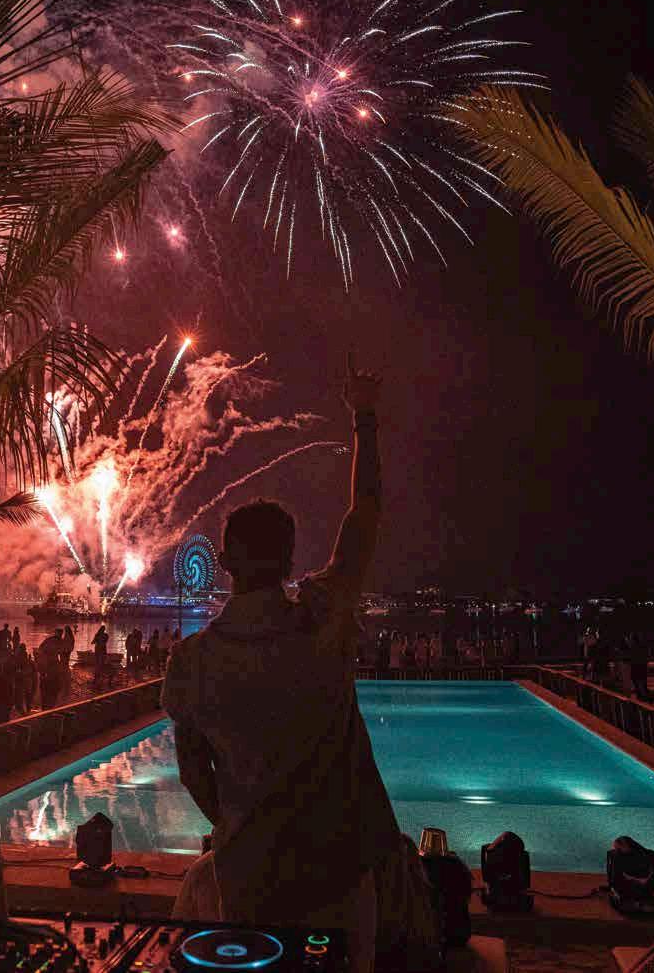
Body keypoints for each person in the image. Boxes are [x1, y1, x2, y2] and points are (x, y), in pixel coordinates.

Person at [162, 358, 415, 973]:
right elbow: (366, 511)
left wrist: (241, 826)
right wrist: (364, 417)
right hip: (339, 874)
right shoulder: (323, 622)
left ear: (225, 562)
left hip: (251, 878)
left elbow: (195, 772)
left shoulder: (191, 663)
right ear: (289, 558)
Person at [93, 623, 109, 688]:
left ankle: (98, 674)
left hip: (99, 649)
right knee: (101, 662)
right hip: (102, 650)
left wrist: (96, 640)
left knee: (98, 662)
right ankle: (100, 673)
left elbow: (93, 642)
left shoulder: (98, 635)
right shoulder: (105, 635)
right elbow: (105, 641)